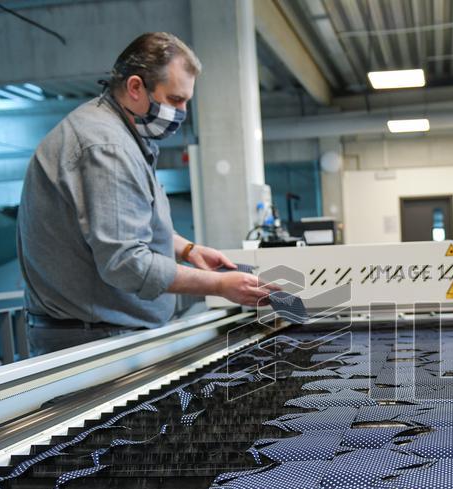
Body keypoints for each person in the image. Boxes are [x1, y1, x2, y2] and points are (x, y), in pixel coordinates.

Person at [17, 32, 272, 356]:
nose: (182, 112)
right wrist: (220, 285)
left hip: (105, 332)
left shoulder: (115, 131)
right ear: (135, 87)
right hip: (91, 342)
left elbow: (125, 221)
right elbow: (125, 263)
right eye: (176, 99)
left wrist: (187, 248)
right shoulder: (107, 148)